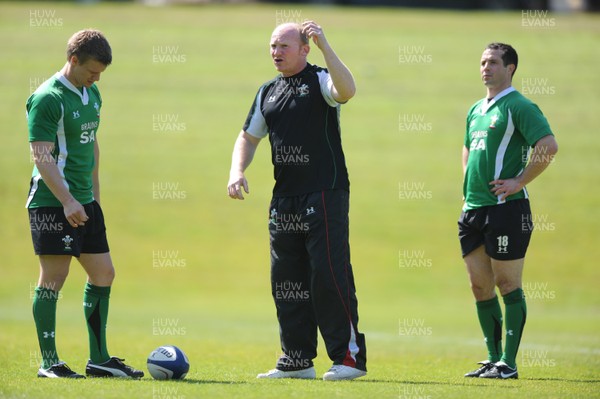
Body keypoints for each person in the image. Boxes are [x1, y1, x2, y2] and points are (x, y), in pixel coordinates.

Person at [227, 21, 367, 381]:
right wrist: (236, 171)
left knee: (328, 273)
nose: (276, 52)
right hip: (284, 198)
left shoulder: (321, 80)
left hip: (324, 191)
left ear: (304, 49)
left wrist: (325, 45)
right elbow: (248, 137)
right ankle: (296, 358)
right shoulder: (267, 92)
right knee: (286, 278)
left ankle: (348, 358)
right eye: (272, 46)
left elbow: (348, 91)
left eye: (284, 46)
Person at [27, 29, 143, 379]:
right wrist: (67, 199)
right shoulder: (48, 97)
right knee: (54, 278)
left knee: (103, 273)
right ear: (73, 60)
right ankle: (50, 362)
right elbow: (41, 155)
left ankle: (99, 360)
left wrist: (92, 197)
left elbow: (91, 144)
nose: (96, 78)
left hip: (84, 202)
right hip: (52, 202)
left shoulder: (92, 94)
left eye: (101, 73)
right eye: (92, 70)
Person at [459, 43, 558, 379]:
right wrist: (467, 186)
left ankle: (508, 363)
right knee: (479, 287)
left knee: (507, 284)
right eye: (483, 61)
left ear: (510, 68)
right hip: (473, 210)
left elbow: (548, 145)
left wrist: (518, 181)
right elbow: (468, 148)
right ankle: (491, 358)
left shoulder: (519, 105)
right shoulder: (476, 109)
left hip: (506, 210)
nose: (486, 67)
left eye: (494, 62)